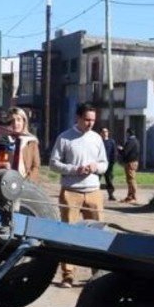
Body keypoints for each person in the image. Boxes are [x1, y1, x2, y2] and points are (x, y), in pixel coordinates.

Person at [49, 105, 108, 287]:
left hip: (93, 191)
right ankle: (68, 274)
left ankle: (98, 272)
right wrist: (74, 169)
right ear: (78, 118)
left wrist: (95, 167)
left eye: (93, 120)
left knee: (98, 234)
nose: (90, 123)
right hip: (71, 191)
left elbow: (105, 163)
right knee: (68, 234)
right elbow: (53, 163)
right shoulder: (64, 138)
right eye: (87, 120)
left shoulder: (97, 138)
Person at [7, 106, 40, 180]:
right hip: (7, 182)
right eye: (12, 120)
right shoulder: (4, 140)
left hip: (26, 182)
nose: (16, 123)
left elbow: (36, 166)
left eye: (19, 120)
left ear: (24, 122)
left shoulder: (31, 141)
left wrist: (29, 181)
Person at [121, 128, 141, 204]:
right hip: (134, 161)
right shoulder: (136, 141)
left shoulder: (130, 141)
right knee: (130, 180)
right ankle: (129, 196)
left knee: (131, 180)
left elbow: (125, 152)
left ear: (128, 133)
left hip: (130, 162)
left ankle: (134, 196)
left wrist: (120, 150)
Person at [100, 127, 118, 201]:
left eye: (106, 131)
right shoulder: (98, 141)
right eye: (103, 132)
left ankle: (111, 194)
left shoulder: (111, 142)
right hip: (99, 163)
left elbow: (114, 153)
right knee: (96, 179)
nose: (105, 133)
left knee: (109, 180)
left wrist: (112, 162)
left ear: (108, 132)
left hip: (108, 164)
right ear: (100, 133)